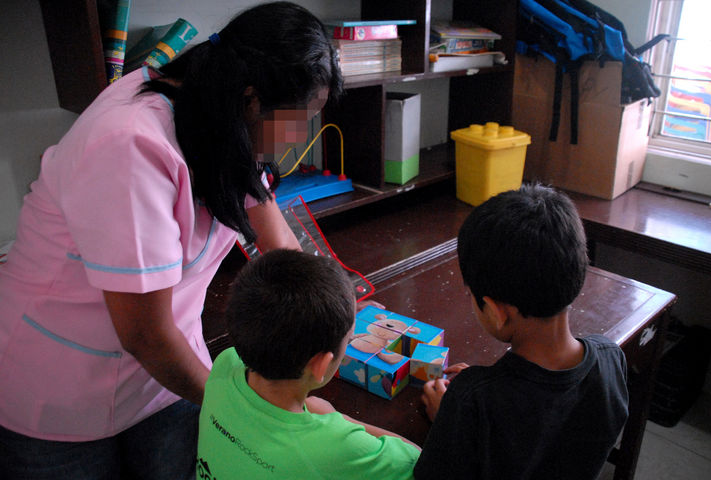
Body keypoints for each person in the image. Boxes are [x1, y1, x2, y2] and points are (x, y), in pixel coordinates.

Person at [0, 2, 342, 479]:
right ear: (251, 100)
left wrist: (331, 316)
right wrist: (250, 408)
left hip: (167, 368)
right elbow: (144, 335)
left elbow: (278, 240)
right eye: (298, 119)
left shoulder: (222, 117)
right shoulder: (131, 144)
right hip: (61, 387)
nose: (298, 136)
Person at [413, 184, 629, 480]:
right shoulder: (610, 357)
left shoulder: (472, 403)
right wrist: (481, 387)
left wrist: (449, 418)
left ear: (496, 311)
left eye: (470, 295)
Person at [196, 249, 420, 479]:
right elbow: (419, 462)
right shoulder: (338, 447)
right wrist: (336, 418)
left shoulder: (226, 362)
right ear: (321, 365)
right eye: (349, 338)